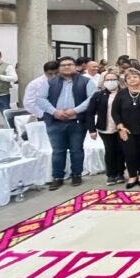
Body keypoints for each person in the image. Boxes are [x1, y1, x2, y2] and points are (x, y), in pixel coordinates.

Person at [35, 56, 97, 190]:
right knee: (58, 151)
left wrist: (74, 111)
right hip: (55, 121)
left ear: (76, 66)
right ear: (59, 68)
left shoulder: (86, 81)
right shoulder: (50, 82)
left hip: (77, 121)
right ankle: (57, 177)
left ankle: (76, 175)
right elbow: (40, 99)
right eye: (63, 65)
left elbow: (91, 99)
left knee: (76, 150)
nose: (67, 67)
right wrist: (54, 111)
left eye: (70, 64)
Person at [112, 68, 140, 189]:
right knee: (129, 153)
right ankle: (132, 175)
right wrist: (120, 127)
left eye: (135, 77)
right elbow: (115, 112)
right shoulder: (121, 94)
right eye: (129, 78)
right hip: (126, 129)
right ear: (125, 81)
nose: (132, 79)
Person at [86, 69, 125, 186]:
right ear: (103, 82)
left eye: (113, 79)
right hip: (105, 127)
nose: (110, 82)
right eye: (107, 80)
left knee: (121, 150)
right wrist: (92, 130)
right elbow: (90, 113)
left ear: (118, 81)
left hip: (122, 127)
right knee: (110, 150)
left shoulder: (124, 93)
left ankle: (120, 173)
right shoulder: (98, 95)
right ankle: (111, 174)